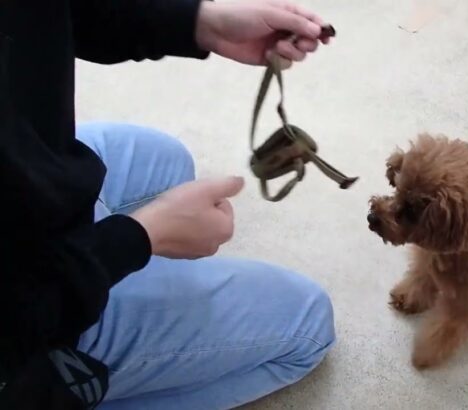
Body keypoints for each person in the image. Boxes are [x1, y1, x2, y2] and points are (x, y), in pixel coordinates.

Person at [0, 0, 336, 409]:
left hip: (31, 194)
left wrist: (200, 23)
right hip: (22, 328)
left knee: (166, 162)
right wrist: (141, 237)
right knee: (308, 326)